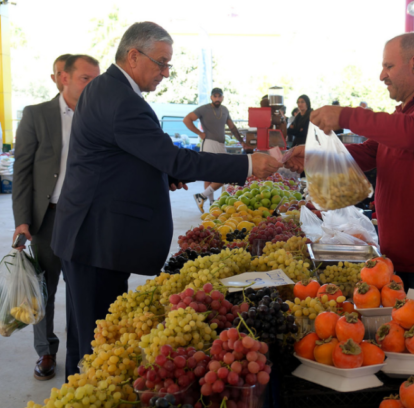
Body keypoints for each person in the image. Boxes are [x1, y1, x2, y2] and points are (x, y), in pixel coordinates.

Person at [51, 22, 281, 379]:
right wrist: (248, 163)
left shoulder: (109, 90)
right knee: (95, 345)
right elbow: (172, 157)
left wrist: (163, 176)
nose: (165, 73)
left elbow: (125, 156)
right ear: (133, 56)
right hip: (95, 237)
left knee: (90, 334)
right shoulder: (120, 99)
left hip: (95, 233)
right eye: (161, 63)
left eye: (168, 65)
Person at [285, 33, 414, 305]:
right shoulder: (405, 113)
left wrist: (345, 116)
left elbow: (412, 134)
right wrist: (315, 155)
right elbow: (368, 152)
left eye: (388, 66)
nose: (382, 75)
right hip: (400, 260)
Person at [12, 54, 101, 380]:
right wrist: (22, 219)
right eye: (86, 79)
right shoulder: (37, 115)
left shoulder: (99, 116)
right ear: (65, 78)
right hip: (48, 217)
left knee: (82, 289)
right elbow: (21, 170)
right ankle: (46, 351)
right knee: (43, 288)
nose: (93, 85)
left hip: (87, 218)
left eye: (97, 79)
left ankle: (82, 352)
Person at [183, 88, 252, 211]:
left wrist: (242, 142)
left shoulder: (224, 110)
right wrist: (199, 132)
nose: (217, 99)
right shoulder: (204, 109)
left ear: (222, 98)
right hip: (208, 143)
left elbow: (232, 127)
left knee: (225, 172)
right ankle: (211, 203)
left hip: (221, 145)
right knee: (210, 174)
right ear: (211, 97)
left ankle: (202, 197)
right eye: (214, 96)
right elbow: (186, 119)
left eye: (219, 96)